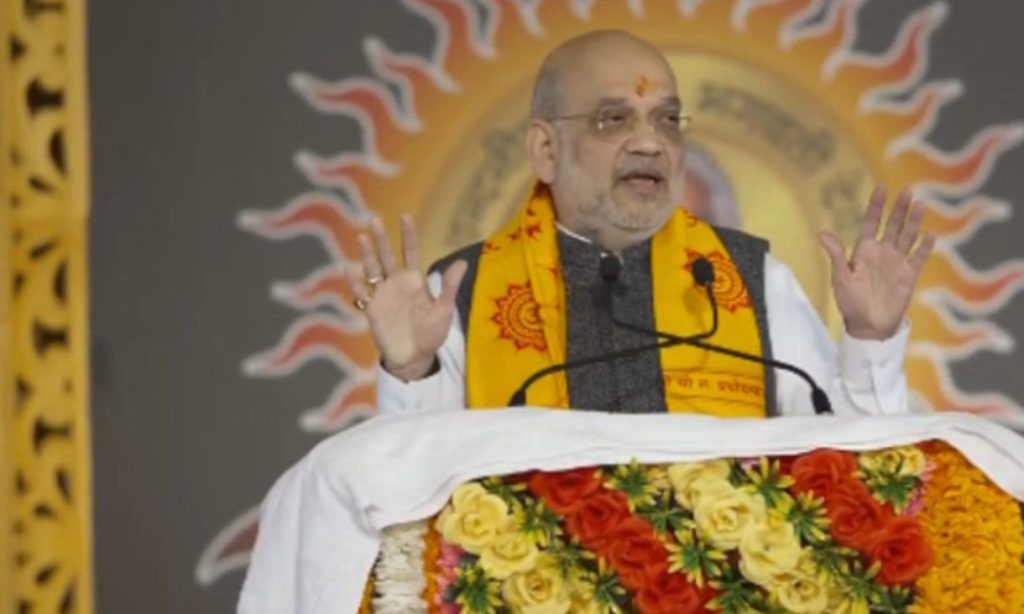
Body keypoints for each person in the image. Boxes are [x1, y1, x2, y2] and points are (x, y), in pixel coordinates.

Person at [344, 30, 935, 418]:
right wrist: (411, 371)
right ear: (546, 150)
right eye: (613, 119)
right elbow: (413, 501)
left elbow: (851, 475)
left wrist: (871, 341)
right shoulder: (463, 293)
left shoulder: (751, 278)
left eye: (668, 120)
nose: (651, 143)